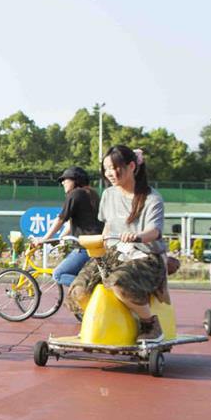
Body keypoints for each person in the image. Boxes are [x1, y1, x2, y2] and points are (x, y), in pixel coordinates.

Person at [65, 145, 168, 342]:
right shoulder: (108, 195)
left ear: (131, 166)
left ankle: (150, 324)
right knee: (79, 290)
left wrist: (136, 236)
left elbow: (154, 231)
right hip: (114, 252)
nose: (110, 173)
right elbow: (108, 227)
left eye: (114, 168)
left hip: (145, 256)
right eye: (106, 169)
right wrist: (100, 247)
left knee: (118, 282)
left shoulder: (152, 198)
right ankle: (100, 321)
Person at [31, 165, 102, 286]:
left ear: (76, 180)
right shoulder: (92, 194)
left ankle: (91, 289)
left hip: (84, 248)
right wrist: (59, 238)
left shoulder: (75, 194)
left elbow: (61, 219)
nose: (63, 182)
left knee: (58, 274)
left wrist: (44, 239)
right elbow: (71, 225)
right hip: (97, 246)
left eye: (66, 179)